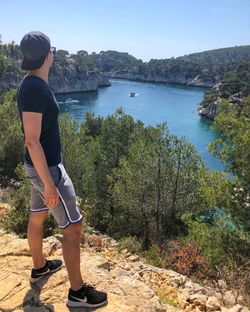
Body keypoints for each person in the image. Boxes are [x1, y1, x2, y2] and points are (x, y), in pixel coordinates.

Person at [16, 31, 107, 308]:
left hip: (40, 168)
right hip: (49, 170)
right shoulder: (34, 87)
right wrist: (49, 183)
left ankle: (40, 267)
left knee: (37, 216)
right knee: (73, 226)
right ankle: (78, 293)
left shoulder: (31, 84)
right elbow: (31, 139)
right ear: (49, 56)